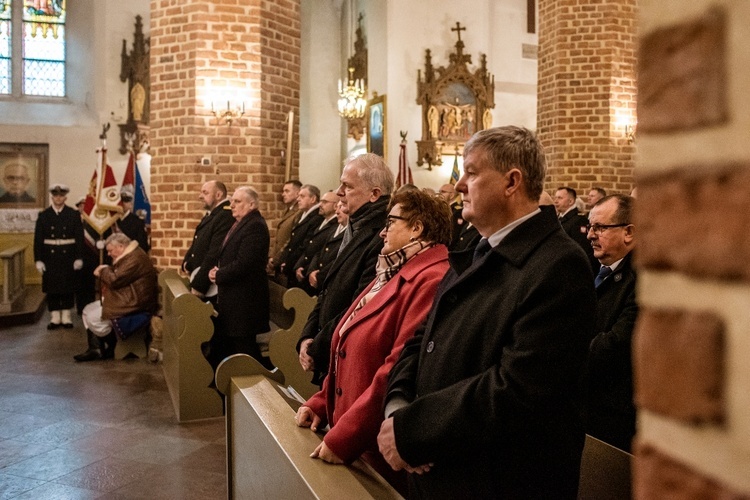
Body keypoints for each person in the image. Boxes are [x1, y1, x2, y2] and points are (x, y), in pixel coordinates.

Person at [377, 126, 597, 499]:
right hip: (440, 469)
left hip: (498, 481)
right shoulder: (478, 251)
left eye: (472, 172)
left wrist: (414, 430)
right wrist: (397, 406)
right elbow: (422, 338)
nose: (460, 184)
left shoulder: (559, 265)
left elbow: (518, 389)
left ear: (512, 182)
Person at [295, 190, 452, 491]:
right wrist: (321, 402)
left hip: (374, 446)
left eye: (391, 222)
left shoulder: (430, 279)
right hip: (351, 431)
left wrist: (346, 437)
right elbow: (349, 342)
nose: (382, 231)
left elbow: (394, 368)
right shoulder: (392, 269)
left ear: (417, 228)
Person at [298, 153, 393, 385]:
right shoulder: (355, 225)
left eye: (347, 186)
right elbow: (328, 289)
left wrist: (317, 346)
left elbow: (359, 305)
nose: (339, 192)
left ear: (375, 194)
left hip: (349, 354)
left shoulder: (381, 234)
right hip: (330, 343)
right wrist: (307, 335)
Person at [585, 194, 638, 452]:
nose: (590, 235)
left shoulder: (641, 279)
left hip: (613, 413)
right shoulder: (596, 270)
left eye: (600, 228)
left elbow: (617, 343)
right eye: (590, 226)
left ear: (628, 232)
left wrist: (564, 357)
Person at [206, 186, 271, 370]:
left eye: (237, 201)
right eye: (232, 201)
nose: (232, 205)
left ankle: (255, 390)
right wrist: (218, 270)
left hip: (245, 303)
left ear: (251, 204)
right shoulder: (242, 223)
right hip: (235, 301)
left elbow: (245, 264)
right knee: (233, 348)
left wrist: (219, 274)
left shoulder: (255, 226)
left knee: (246, 353)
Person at [74, 233, 158, 362]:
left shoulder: (134, 258)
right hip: (128, 297)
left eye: (110, 251)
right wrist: (107, 270)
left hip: (134, 303)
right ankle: (96, 349)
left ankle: (113, 343)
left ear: (121, 246)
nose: (108, 254)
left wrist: (102, 271)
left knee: (92, 318)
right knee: (86, 310)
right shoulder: (131, 254)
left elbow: (115, 280)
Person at [34, 184, 84, 329]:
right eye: (55, 196)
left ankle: (67, 316)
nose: (58, 198)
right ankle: (55, 317)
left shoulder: (73, 214)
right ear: (52, 197)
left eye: (61, 196)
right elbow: (38, 240)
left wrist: (79, 257)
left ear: (65, 197)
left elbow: (79, 238)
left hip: (68, 256)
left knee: (68, 286)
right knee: (52, 287)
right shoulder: (44, 215)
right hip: (50, 257)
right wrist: (38, 260)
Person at [182, 180, 234, 303]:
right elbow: (198, 240)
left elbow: (214, 253)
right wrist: (187, 261)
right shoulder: (214, 214)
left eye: (205, 193)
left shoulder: (225, 215)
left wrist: (200, 285)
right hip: (200, 274)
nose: (200, 196)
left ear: (218, 195)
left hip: (210, 286)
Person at [276, 184, 323, 287]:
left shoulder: (316, 217)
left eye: (302, 196)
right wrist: (283, 260)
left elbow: (304, 244)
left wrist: (290, 263)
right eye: (298, 196)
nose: (298, 199)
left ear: (313, 199)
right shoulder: (303, 214)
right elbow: (293, 240)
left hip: (299, 266)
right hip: (292, 264)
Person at [293, 191, 339, 295]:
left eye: (325, 202)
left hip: (318, 277)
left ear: (336, 205)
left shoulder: (335, 225)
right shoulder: (322, 222)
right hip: (308, 271)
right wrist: (300, 266)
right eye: (321, 201)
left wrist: (310, 271)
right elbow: (309, 246)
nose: (320, 205)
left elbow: (320, 250)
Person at [306, 201, 348, 293]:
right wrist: (311, 271)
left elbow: (339, 259)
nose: (337, 211)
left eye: (341, 207)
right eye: (337, 207)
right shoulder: (333, 229)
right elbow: (319, 252)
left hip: (329, 282)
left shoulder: (350, 233)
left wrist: (319, 276)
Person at [554, 186, 598, 270]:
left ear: (570, 201)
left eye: (560, 198)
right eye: (555, 197)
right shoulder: (560, 218)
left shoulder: (578, 221)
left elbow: (581, 250)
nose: (555, 201)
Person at [268, 180, 301, 274]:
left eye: (287, 191)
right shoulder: (289, 210)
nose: (283, 194)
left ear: (297, 193)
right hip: (278, 260)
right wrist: (272, 257)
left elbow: (290, 239)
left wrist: (276, 259)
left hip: (285, 261)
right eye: (283, 191)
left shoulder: (299, 212)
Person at [114, 187, 150, 252]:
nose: (122, 204)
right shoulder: (113, 220)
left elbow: (143, 246)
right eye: (121, 201)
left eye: (126, 201)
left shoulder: (137, 221)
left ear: (130, 204)